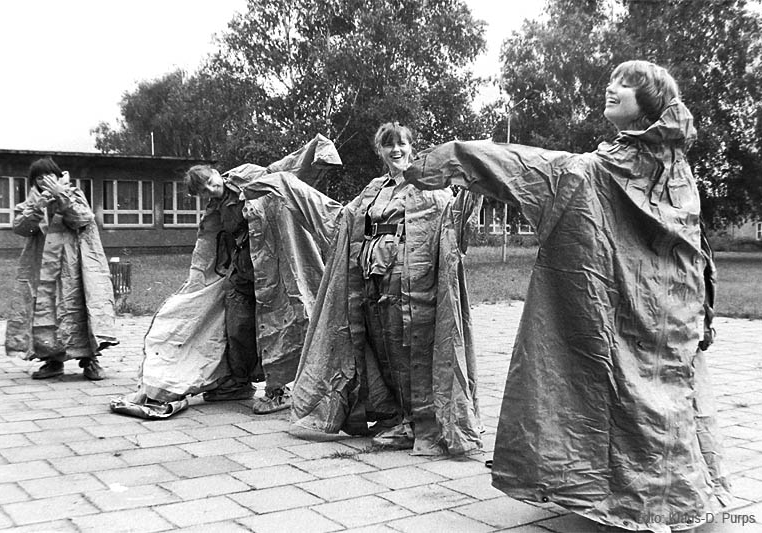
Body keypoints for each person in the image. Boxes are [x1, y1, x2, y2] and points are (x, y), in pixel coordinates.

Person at [405, 60, 730, 531]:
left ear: (650, 101)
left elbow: (530, 169)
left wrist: (453, 157)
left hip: (662, 308)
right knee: (655, 396)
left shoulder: (618, 172)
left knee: (632, 395)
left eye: (626, 84)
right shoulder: (659, 170)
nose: (611, 88)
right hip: (664, 311)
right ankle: (663, 495)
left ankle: (650, 502)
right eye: (612, 80)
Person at [110, 135, 343, 419]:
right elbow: (214, 243)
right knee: (236, 329)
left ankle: (278, 390)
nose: (212, 188)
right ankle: (237, 382)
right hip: (241, 274)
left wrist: (315, 153)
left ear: (215, 172)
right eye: (205, 190)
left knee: (278, 327)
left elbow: (283, 172)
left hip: (274, 271)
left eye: (211, 181)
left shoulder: (248, 176)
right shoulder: (216, 207)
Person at [290, 122, 484, 456]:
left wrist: (474, 182)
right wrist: (295, 191)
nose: (396, 150)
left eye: (402, 144)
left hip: (410, 283)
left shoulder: (429, 187)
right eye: (389, 145)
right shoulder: (374, 189)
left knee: (407, 349)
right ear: (380, 150)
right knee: (381, 348)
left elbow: (452, 222)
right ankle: (395, 414)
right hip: (371, 276)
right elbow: (345, 219)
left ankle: (417, 421)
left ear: (411, 147)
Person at [5, 157, 118, 380]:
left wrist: (61, 196)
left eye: (49, 175)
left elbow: (83, 219)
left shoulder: (74, 194)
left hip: (74, 265)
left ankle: (90, 360)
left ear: (59, 176)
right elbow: (20, 228)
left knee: (78, 306)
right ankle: (53, 360)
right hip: (42, 266)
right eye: (39, 178)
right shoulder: (32, 202)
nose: (44, 181)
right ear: (33, 181)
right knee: (45, 310)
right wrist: (38, 207)